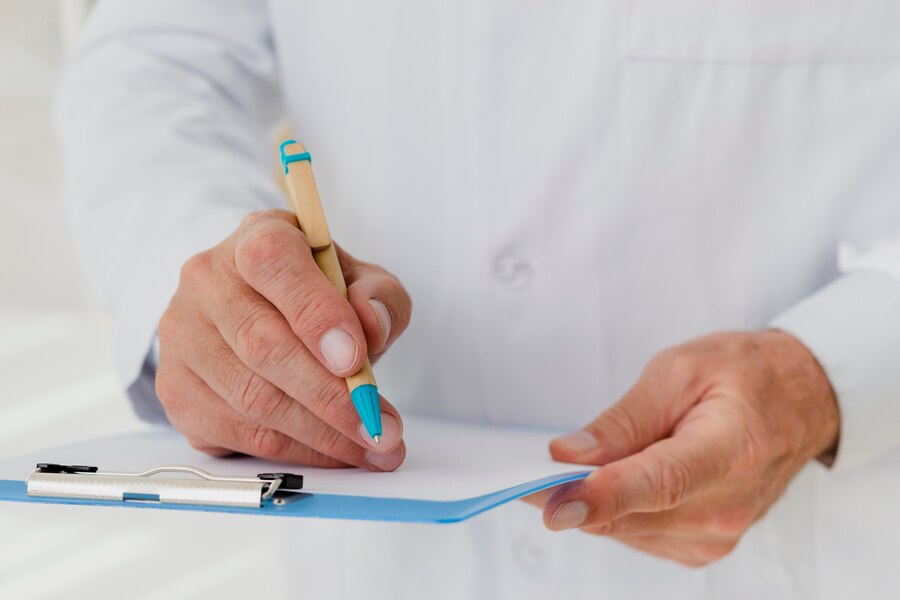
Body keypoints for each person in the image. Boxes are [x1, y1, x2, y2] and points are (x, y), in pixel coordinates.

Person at [59, 1, 900, 598]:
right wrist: (212, 285)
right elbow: (154, 61)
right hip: (388, 561)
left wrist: (827, 373)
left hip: (815, 544)